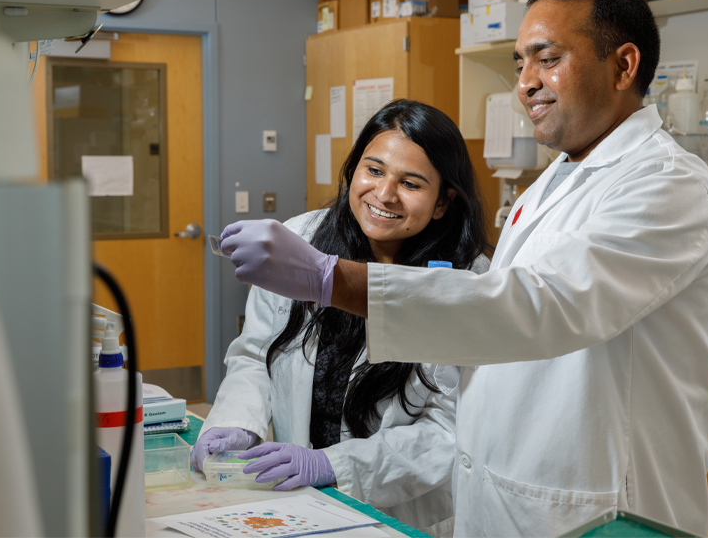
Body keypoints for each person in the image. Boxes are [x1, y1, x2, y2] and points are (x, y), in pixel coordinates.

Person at [220, 0, 708, 538]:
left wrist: (331, 280)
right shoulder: (554, 183)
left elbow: (544, 305)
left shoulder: (667, 185)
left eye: (548, 59)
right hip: (506, 505)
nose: (526, 83)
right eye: (520, 65)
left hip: (596, 509)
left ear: (624, 65)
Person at [194, 99, 490, 536]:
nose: (384, 194)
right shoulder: (300, 243)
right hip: (299, 505)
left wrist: (331, 464)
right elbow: (256, 353)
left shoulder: (470, 281)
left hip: (400, 514)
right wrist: (236, 422)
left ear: (444, 202)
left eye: (410, 183)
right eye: (373, 171)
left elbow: (449, 429)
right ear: (352, 170)